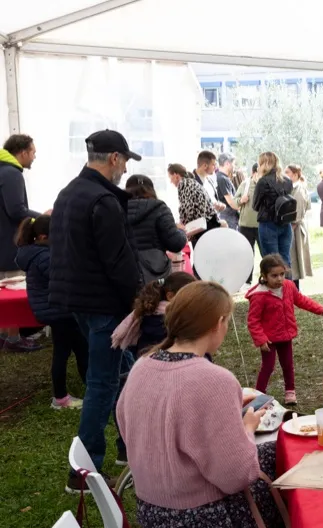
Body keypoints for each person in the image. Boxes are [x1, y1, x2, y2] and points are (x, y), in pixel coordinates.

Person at [116, 281, 286, 528]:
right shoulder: (214, 381)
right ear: (218, 323)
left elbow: (129, 424)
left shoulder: (142, 366)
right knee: (285, 463)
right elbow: (237, 476)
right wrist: (245, 427)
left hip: (152, 515)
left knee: (272, 454)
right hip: (196, 525)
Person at [50, 129, 144, 489]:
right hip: (103, 305)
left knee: (127, 375)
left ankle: (129, 445)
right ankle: (84, 471)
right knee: (102, 384)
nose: (123, 170)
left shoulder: (69, 193)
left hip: (79, 301)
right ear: (115, 159)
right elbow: (118, 260)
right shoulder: (102, 200)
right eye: (124, 162)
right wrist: (138, 300)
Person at [14, 215, 87, 409]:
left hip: (59, 311)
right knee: (63, 353)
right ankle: (60, 398)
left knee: (81, 348)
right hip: (60, 312)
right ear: (45, 235)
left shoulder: (36, 253)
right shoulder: (45, 257)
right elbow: (65, 279)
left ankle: (92, 387)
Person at [247, 254, 323, 405]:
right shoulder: (259, 295)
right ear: (264, 276)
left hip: (285, 335)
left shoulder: (289, 286)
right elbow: (253, 320)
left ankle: (290, 391)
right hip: (268, 339)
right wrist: (261, 339)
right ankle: (258, 395)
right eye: (274, 275)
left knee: (288, 365)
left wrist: (317, 308)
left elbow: (300, 300)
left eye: (282, 274)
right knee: (268, 367)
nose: (279, 279)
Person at [0, 134, 44, 352]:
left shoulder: (3, 170)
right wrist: (42, 218)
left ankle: (7, 334)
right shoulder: (11, 174)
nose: (35, 156)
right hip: (7, 244)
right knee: (11, 287)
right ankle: (14, 338)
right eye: (33, 152)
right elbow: (16, 210)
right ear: (23, 152)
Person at [112, 272, 197, 357]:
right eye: (190, 298)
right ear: (170, 296)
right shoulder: (167, 322)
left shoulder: (151, 314)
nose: (193, 303)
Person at [123, 175, 187, 284]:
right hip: (155, 272)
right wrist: (180, 231)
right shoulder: (159, 208)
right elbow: (176, 244)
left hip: (126, 270)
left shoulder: (115, 207)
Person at [253, 152, 295, 270]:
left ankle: (274, 289)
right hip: (286, 223)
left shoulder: (263, 182)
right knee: (285, 261)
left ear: (263, 164)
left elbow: (255, 206)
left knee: (271, 262)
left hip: (268, 224)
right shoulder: (287, 180)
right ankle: (288, 288)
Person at [169, 163, 218, 245]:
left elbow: (189, 209)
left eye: (170, 177)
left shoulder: (184, 184)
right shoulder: (191, 182)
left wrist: (183, 226)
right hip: (209, 222)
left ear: (175, 175)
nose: (171, 181)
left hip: (203, 227)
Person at [284, 164, 313, 289]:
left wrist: (289, 230)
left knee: (294, 260)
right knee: (292, 260)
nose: (285, 175)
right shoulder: (292, 188)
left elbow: (298, 213)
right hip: (292, 227)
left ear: (295, 174)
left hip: (294, 228)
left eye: (288, 172)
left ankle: (295, 291)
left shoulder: (299, 190)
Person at [237, 163, 260, 257]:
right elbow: (235, 202)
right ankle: (248, 272)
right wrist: (241, 200)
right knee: (247, 255)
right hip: (245, 226)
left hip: (262, 226)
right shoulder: (245, 184)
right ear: (254, 173)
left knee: (267, 254)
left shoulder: (266, 185)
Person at [213, 152, 239, 230]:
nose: (234, 166)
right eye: (233, 164)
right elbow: (231, 202)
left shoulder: (218, 177)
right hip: (228, 218)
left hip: (225, 216)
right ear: (227, 163)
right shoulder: (223, 179)